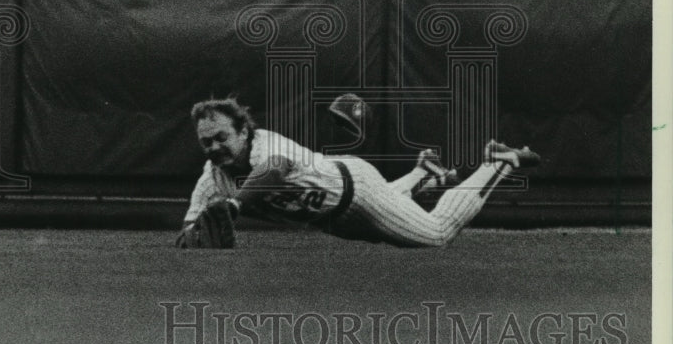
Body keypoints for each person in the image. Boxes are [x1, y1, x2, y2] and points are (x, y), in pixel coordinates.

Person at [176, 95, 539, 249]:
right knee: (387, 222)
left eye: (221, 137)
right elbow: (188, 230)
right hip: (334, 218)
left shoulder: (266, 145)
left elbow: (275, 170)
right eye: (206, 142)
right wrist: (193, 238)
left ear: (242, 131)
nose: (214, 147)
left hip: (357, 188)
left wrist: (235, 207)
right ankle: (424, 174)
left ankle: (500, 162)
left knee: (436, 234)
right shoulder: (212, 179)